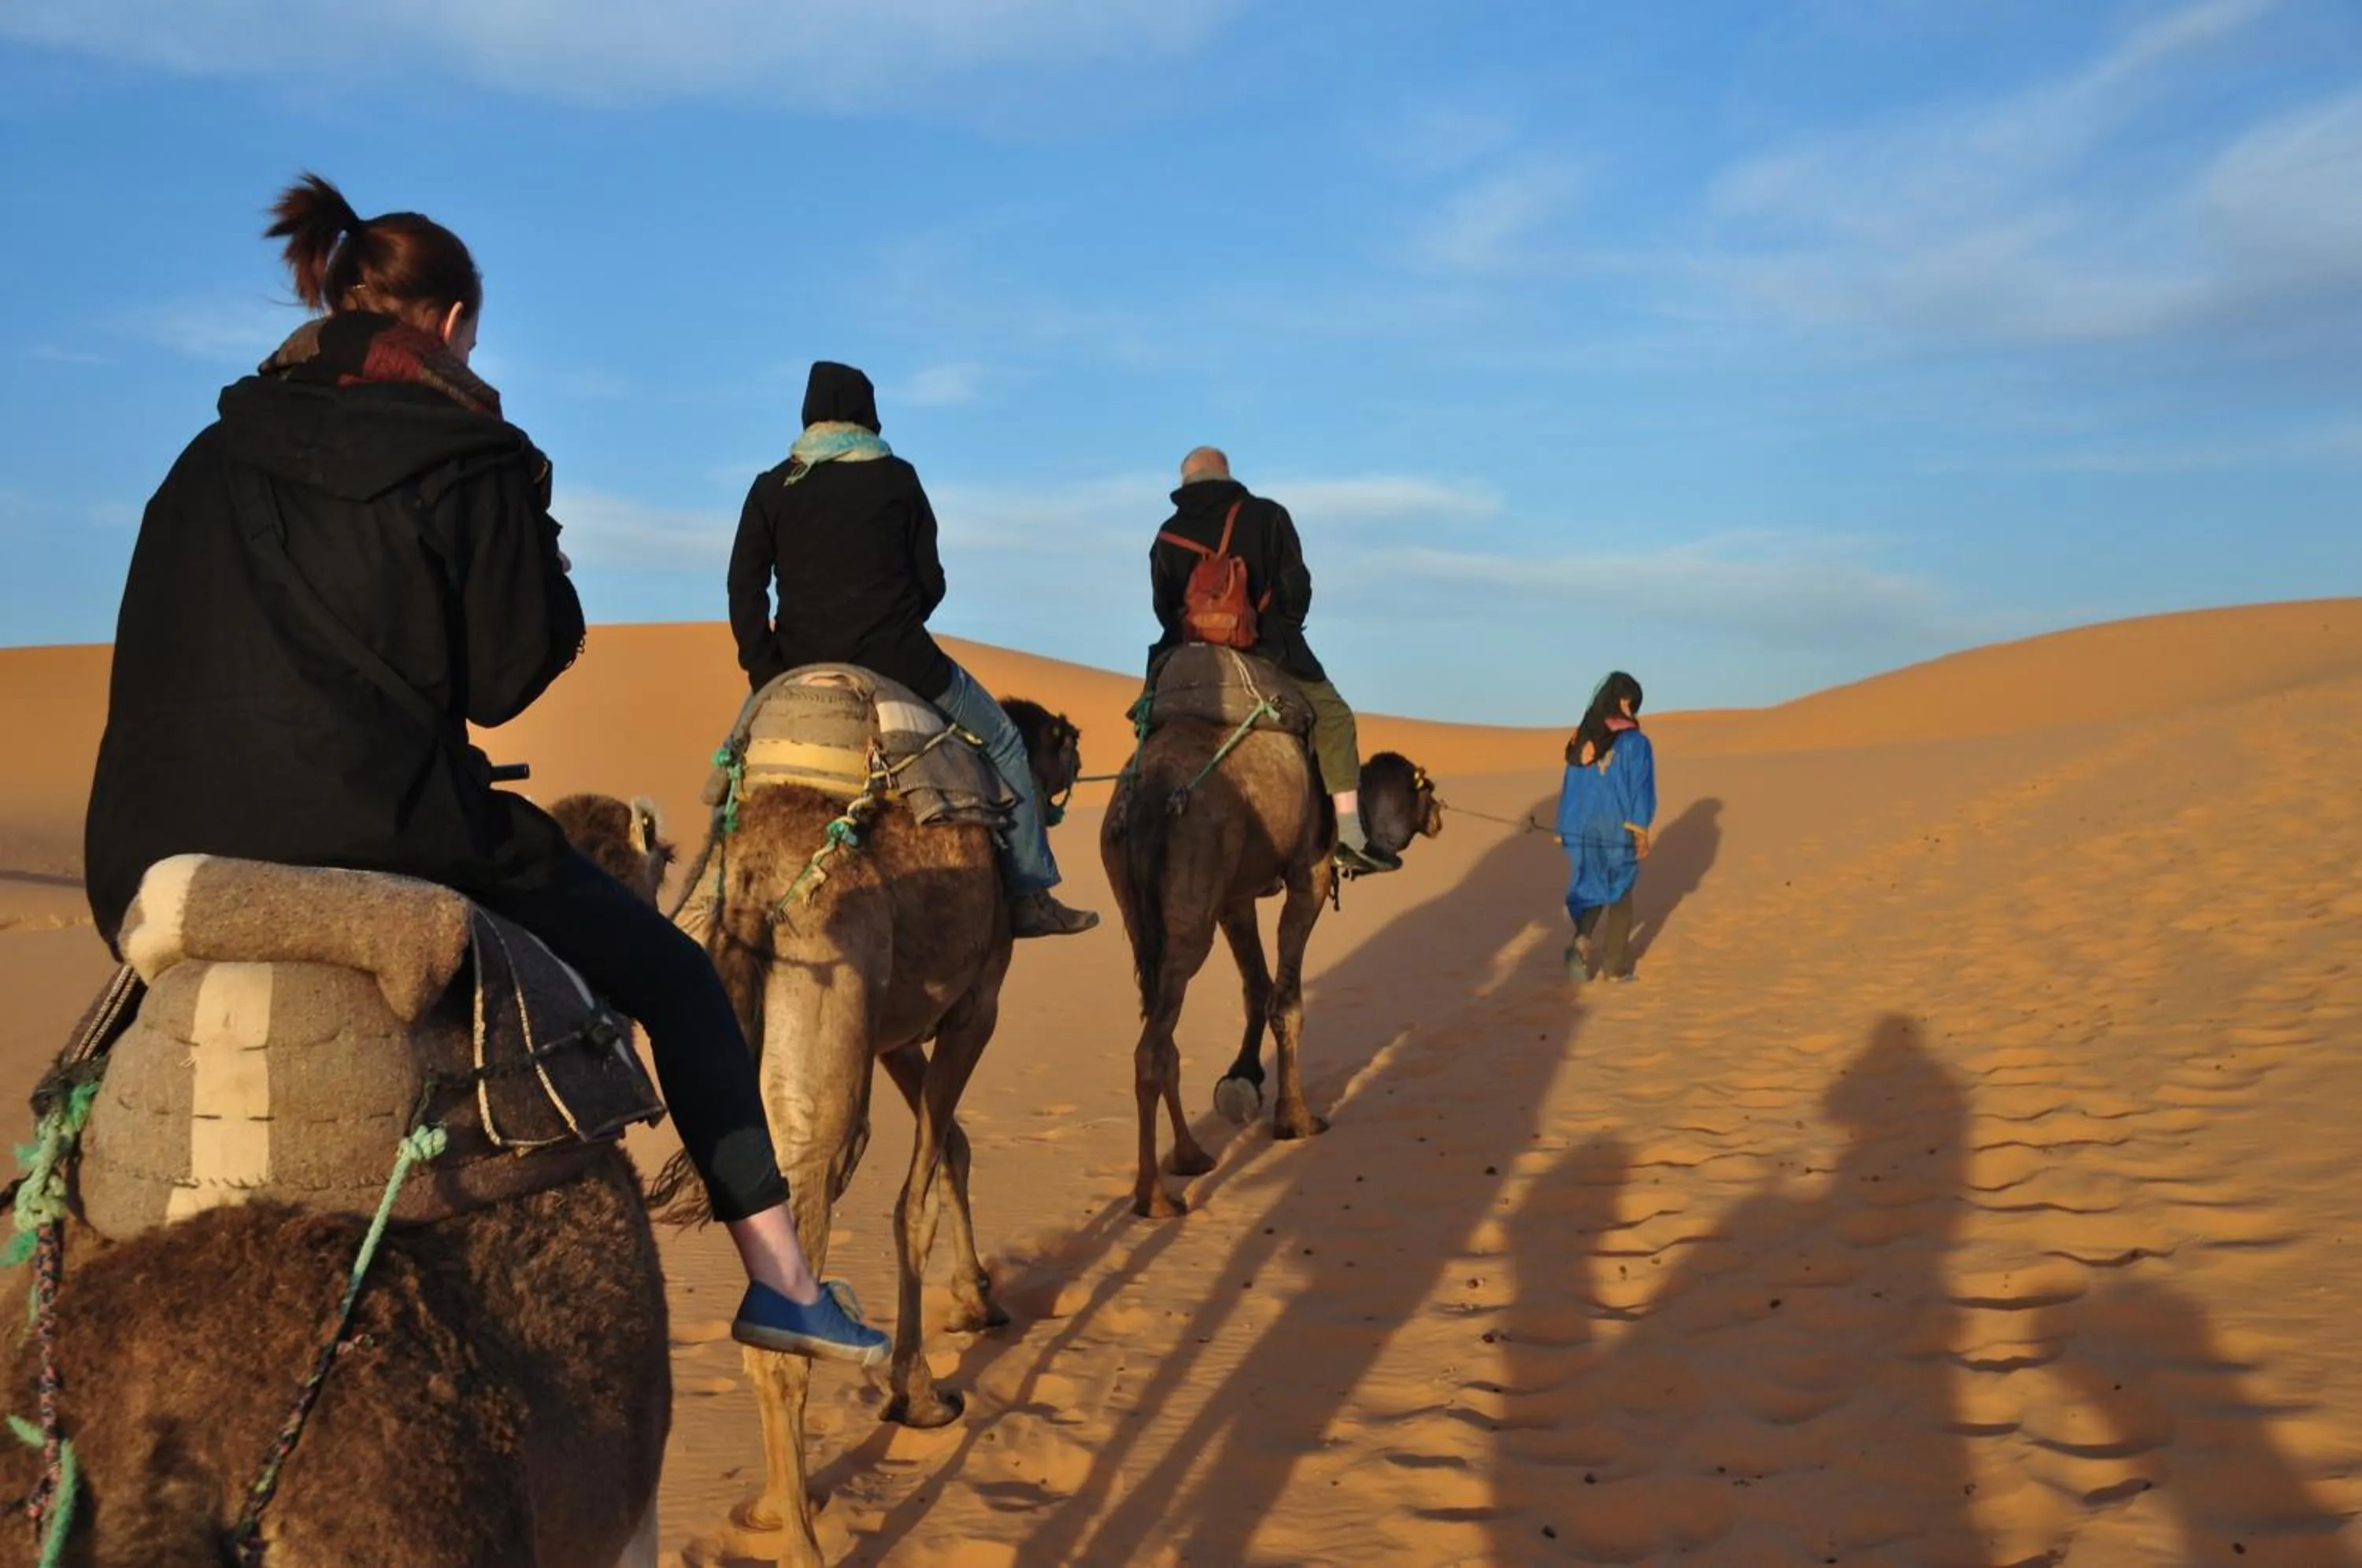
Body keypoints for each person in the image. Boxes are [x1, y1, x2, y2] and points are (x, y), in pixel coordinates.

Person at [83, 174, 887, 1366]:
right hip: (386, 825)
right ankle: (783, 1283)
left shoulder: (202, 457)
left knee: (85, 1088)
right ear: (454, 322)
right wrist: (536, 542)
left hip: (155, 856)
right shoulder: (467, 452)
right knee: (680, 981)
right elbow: (507, 676)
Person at [727, 362, 1098, 938]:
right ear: (867, 414)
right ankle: (1029, 892)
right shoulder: (897, 478)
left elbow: (744, 587)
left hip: (797, 665)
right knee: (1005, 740)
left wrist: (766, 670)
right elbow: (931, 580)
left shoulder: (772, 486)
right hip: (901, 659)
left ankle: (715, 900)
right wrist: (894, 623)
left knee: (732, 771)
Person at [1147, 446, 1397, 874]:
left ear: (1184, 481)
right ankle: (1350, 837)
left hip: (1187, 653)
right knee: (1335, 719)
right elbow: (1295, 586)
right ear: (1226, 475)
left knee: (1148, 720)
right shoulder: (1267, 515)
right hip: (1268, 647)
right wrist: (1280, 626)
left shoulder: (1168, 534)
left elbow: (1164, 606)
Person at [1556, 671, 1655, 982]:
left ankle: (1580, 944)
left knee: (1594, 886)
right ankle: (1614, 969)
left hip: (1582, 826)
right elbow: (1640, 788)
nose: (1632, 710)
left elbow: (1570, 785)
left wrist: (1565, 827)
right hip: (1616, 826)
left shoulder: (1581, 741)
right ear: (1623, 701)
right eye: (1631, 703)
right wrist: (1639, 830)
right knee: (1620, 895)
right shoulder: (1635, 743)